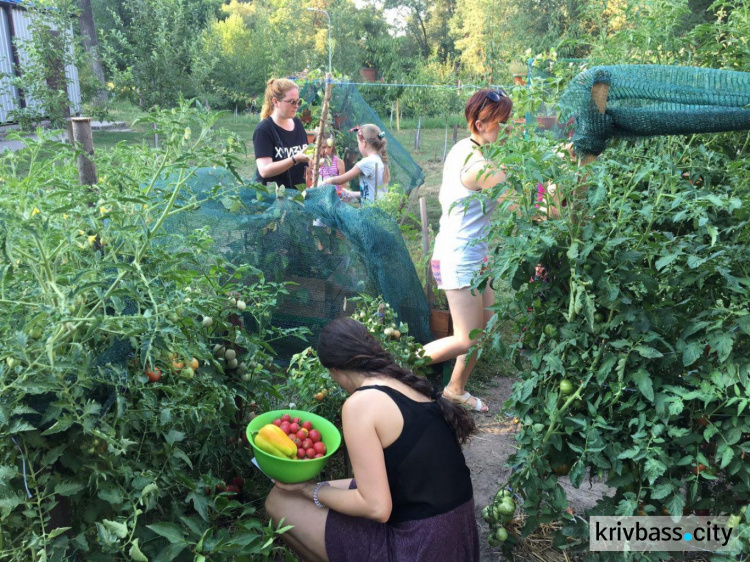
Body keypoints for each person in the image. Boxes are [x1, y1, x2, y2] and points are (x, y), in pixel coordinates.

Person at [265, 318, 480, 562]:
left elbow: (376, 508)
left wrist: (308, 489)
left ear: (334, 370)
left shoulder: (361, 404)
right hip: (457, 537)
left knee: (280, 500)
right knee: (324, 491)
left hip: (419, 547)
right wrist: (314, 489)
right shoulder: (406, 382)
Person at [422, 88, 516, 413]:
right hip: (458, 257)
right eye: (502, 122)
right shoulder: (481, 167)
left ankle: (455, 389)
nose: (508, 129)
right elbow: (527, 209)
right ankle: (393, 369)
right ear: (480, 123)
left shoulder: (465, 147)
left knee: (486, 327)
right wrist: (562, 195)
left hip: (471, 253)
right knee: (466, 337)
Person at [253, 78, 310, 190]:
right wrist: (294, 159)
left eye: (298, 101)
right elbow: (264, 170)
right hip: (272, 198)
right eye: (291, 102)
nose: (296, 106)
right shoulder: (264, 130)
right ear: (275, 102)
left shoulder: (297, 123)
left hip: (297, 195)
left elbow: (305, 155)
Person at [321, 124, 390, 203]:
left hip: (371, 212)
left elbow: (340, 180)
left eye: (358, 143)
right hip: (381, 208)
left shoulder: (366, 163)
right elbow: (373, 192)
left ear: (364, 143)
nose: (358, 146)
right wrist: (352, 194)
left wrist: (325, 182)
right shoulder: (379, 159)